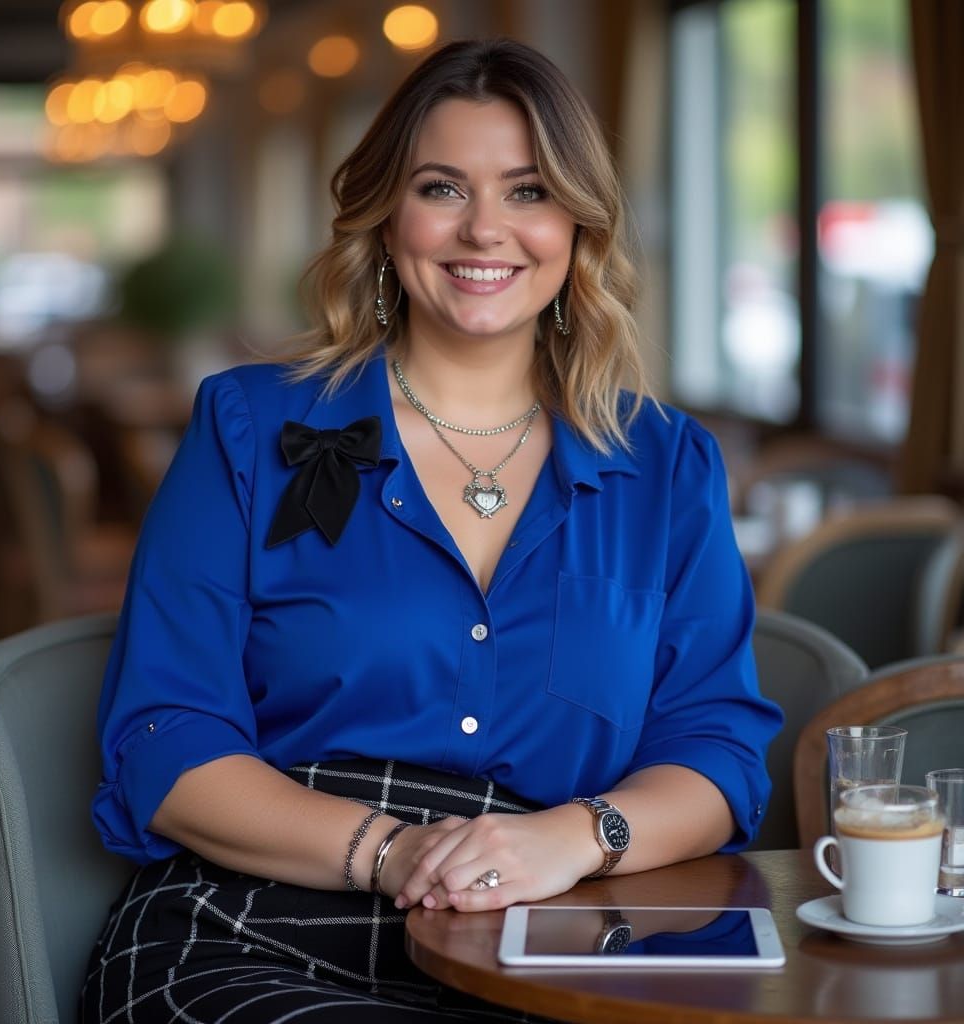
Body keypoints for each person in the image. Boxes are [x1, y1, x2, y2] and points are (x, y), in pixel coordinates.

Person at [82, 37, 783, 1024]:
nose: (484, 230)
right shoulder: (246, 426)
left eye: (529, 191)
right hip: (259, 925)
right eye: (443, 188)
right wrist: (392, 850)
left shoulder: (668, 464)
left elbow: (715, 747)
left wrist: (575, 837)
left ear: (578, 226)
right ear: (385, 216)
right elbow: (165, 733)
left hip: (551, 941)